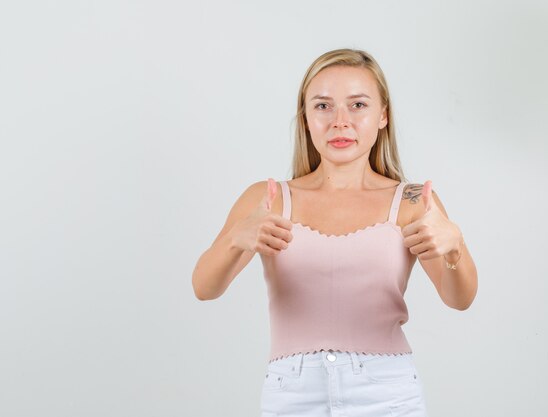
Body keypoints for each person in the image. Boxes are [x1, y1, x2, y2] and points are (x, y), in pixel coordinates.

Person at [192, 48, 478, 417]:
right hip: (291, 396)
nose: (340, 122)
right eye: (323, 106)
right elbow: (204, 288)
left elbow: (460, 300)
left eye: (358, 105)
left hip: (386, 393)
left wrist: (455, 249)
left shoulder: (412, 200)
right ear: (306, 118)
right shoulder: (269, 198)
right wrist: (236, 240)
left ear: (383, 116)